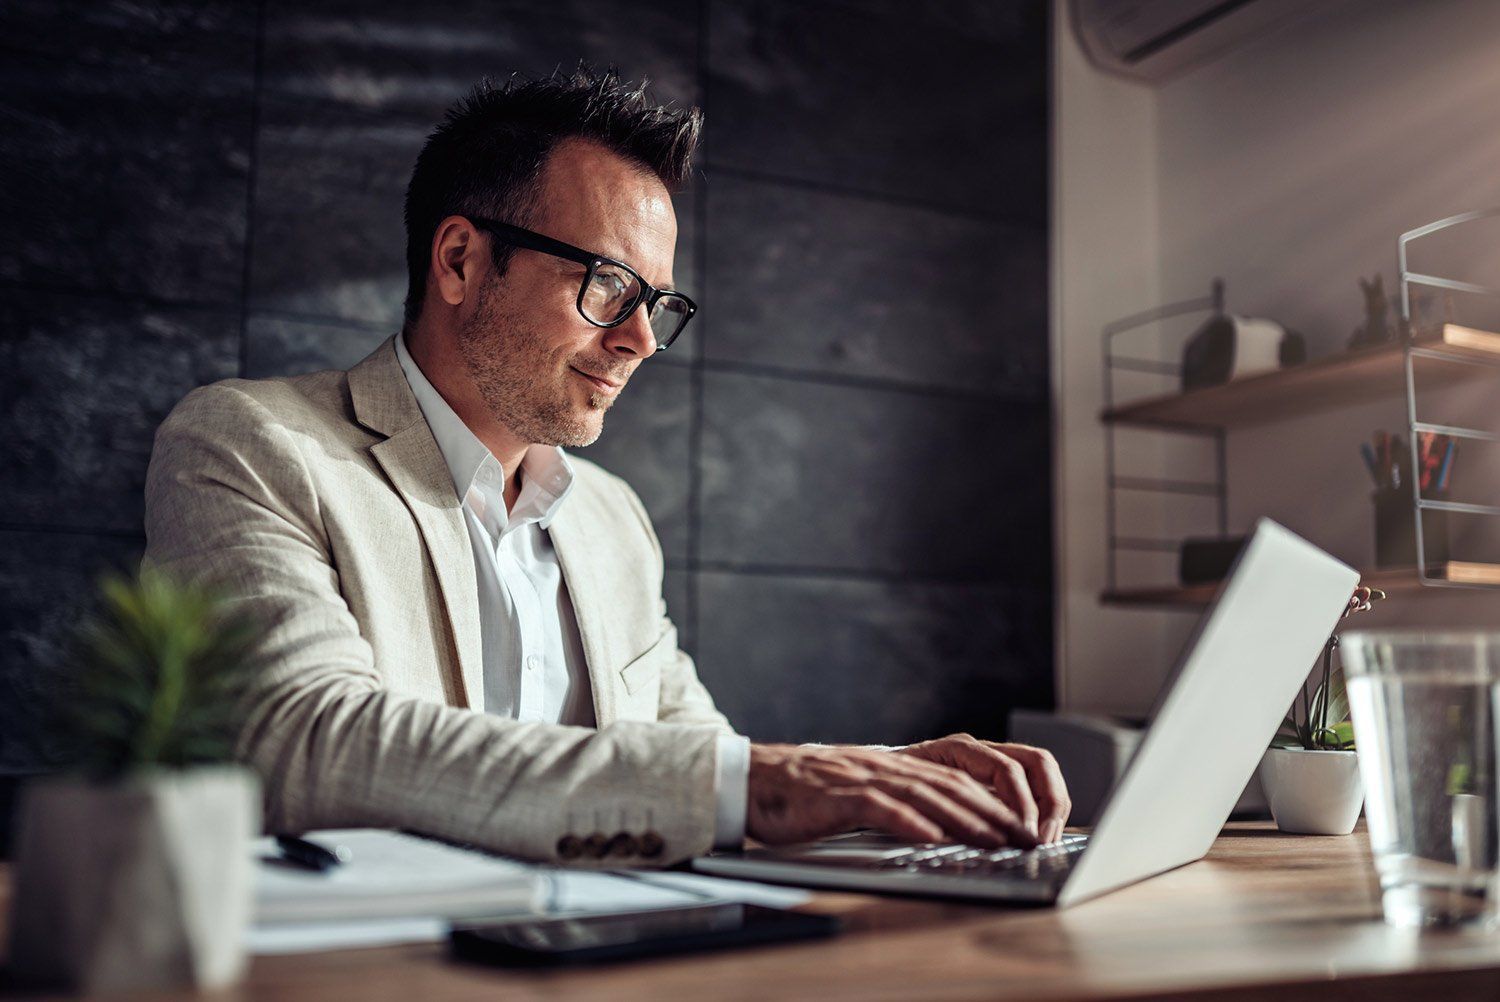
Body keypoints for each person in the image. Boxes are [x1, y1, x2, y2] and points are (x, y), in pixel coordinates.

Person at [143, 69, 1069, 866]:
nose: (639, 341)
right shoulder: (250, 443)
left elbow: (697, 758)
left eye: (656, 302)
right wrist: (784, 784)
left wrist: (892, 779)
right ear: (461, 261)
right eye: (607, 286)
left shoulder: (611, 518)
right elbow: (302, 743)